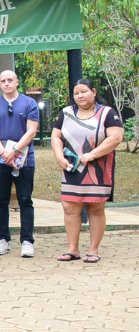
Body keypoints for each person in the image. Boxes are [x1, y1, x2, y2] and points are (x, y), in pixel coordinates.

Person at [52, 79, 125, 263]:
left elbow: (116, 138)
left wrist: (92, 154)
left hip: (98, 169)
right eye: (76, 93)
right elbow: (56, 136)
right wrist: (60, 157)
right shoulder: (66, 113)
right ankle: (73, 249)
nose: (80, 96)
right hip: (72, 167)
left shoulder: (107, 113)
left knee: (95, 207)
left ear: (93, 92)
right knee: (69, 207)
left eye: (84, 91)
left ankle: (93, 249)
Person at [0, 70, 39, 258]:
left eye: (10, 80)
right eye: (3, 81)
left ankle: (27, 241)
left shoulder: (29, 103)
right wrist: (3, 152)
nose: (6, 83)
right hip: (0, 159)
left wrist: (14, 151)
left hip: (24, 158)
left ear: (17, 82)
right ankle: (3, 240)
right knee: (1, 200)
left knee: (25, 200)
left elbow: (31, 131)